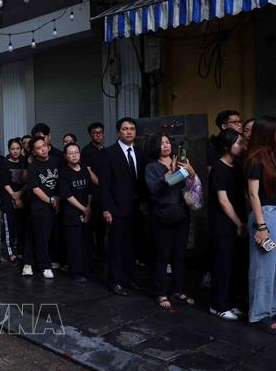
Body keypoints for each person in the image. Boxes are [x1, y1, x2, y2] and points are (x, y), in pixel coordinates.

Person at [145, 133, 196, 309]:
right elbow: (155, 190)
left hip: (181, 214)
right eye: (161, 143)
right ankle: (161, 293)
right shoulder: (151, 167)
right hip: (162, 216)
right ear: (155, 147)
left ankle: (178, 289)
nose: (165, 145)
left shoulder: (181, 162)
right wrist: (171, 172)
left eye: (167, 142)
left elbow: (191, 183)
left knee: (179, 255)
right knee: (162, 256)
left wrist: (190, 170)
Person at [101, 117, 146, 296]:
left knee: (131, 246)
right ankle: (115, 281)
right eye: (125, 129)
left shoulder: (140, 152)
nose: (129, 132)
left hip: (135, 208)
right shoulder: (109, 153)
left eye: (132, 129)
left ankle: (128, 279)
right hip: (116, 208)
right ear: (119, 132)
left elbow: (141, 181)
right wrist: (106, 208)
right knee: (116, 247)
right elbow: (104, 183)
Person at [208, 129, 247, 320]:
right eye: (238, 143)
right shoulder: (218, 168)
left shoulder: (238, 166)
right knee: (222, 264)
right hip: (223, 224)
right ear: (226, 146)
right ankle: (218, 305)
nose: (242, 146)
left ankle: (230, 302)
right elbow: (223, 201)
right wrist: (239, 223)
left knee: (234, 264)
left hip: (237, 222)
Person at [244, 116, 276, 334]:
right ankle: (260, 314)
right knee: (263, 269)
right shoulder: (255, 160)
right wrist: (262, 228)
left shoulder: (272, 157)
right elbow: (253, 195)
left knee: (273, 269)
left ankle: (271, 310)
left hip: (274, 214)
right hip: (264, 215)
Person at [23, 136, 61, 279]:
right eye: (38, 148)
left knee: (48, 236)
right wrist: (51, 201)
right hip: (40, 207)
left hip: (55, 204)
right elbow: (35, 189)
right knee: (40, 237)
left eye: (44, 145)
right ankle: (44, 265)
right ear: (33, 152)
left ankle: (37, 262)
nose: (43, 149)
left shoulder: (56, 161)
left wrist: (58, 200)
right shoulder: (33, 167)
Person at [59, 142, 93, 282]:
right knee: (74, 245)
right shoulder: (64, 172)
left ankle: (87, 270)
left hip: (87, 211)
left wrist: (89, 208)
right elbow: (67, 195)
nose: (74, 155)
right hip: (72, 214)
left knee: (86, 243)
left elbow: (90, 190)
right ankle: (76, 273)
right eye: (70, 153)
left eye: (76, 152)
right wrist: (83, 209)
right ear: (66, 156)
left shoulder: (85, 169)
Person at [0, 138, 26, 263]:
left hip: (22, 196)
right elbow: (4, 182)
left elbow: (28, 181)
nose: (15, 151)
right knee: (9, 226)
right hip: (8, 198)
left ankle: (20, 250)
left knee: (21, 225)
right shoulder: (5, 162)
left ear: (21, 149)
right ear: (9, 150)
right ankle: (11, 252)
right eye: (12, 149)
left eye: (17, 149)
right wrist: (14, 196)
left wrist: (20, 195)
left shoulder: (24, 162)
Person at [81, 122, 106, 259]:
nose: (98, 135)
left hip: (104, 193)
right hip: (93, 192)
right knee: (92, 225)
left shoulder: (105, 149)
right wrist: (102, 185)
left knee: (102, 226)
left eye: (100, 132)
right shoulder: (86, 151)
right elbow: (88, 172)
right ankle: (92, 253)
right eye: (94, 133)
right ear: (90, 134)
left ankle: (101, 252)